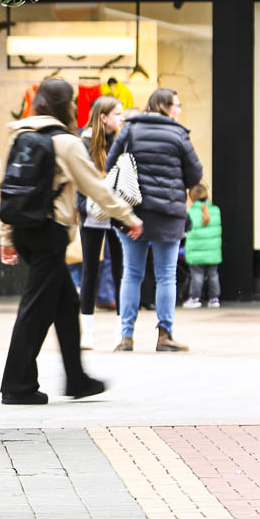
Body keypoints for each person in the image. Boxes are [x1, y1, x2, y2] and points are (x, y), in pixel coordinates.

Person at [0, 77, 141, 406]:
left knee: (65, 304)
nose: (76, 107)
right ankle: (17, 385)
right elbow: (95, 186)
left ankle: (77, 379)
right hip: (49, 232)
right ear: (64, 105)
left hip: (23, 229)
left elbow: (7, 188)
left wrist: (6, 235)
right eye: (72, 101)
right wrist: (128, 216)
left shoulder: (20, 135)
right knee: (35, 309)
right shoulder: (66, 142)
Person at [107, 87, 203, 353]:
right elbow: (195, 174)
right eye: (177, 105)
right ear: (165, 107)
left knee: (131, 273)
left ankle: (126, 337)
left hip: (132, 212)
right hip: (167, 214)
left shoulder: (130, 129)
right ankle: (164, 335)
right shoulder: (178, 134)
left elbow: (110, 164)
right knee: (166, 275)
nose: (179, 109)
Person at [77, 95, 125, 350]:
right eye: (117, 113)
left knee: (120, 270)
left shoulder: (121, 140)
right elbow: (79, 180)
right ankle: (87, 333)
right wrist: (82, 207)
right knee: (90, 271)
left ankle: (122, 332)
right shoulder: (83, 142)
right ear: (103, 117)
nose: (122, 118)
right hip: (91, 212)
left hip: (118, 212)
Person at [183, 184, 222, 308]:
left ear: (191, 198)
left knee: (197, 275)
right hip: (213, 252)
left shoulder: (190, 212)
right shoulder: (215, 210)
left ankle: (195, 298)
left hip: (195, 252)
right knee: (213, 275)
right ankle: (214, 299)